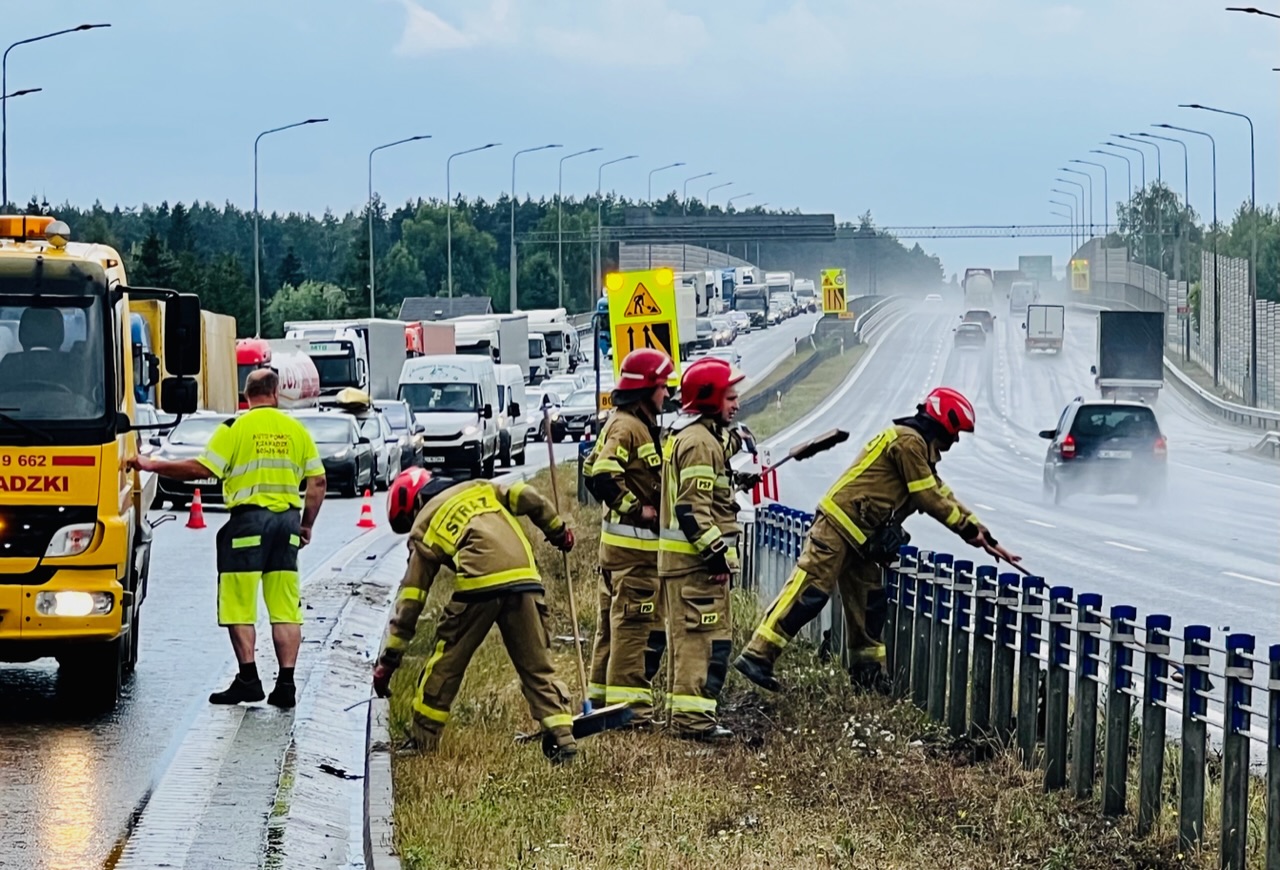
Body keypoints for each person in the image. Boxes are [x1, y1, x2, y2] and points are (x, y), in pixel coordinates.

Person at [734, 387, 1018, 694]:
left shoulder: (917, 449)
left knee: (870, 608)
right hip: (838, 529)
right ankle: (757, 655)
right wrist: (967, 531)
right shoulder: (908, 442)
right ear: (942, 424)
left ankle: (867, 677)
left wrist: (983, 534)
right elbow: (928, 497)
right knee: (809, 593)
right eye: (955, 432)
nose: (955, 441)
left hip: (863, 542)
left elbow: (942, 493)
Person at [129, 368, 327, 708]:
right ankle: (286, 686)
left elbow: (204, 469)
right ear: (275, 394)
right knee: (285, 609)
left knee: (239, 603)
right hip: (286, 526)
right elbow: (318, 482)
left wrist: (154, 465)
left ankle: (249, 679)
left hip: (247, 525)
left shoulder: (235, 429)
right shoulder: (297, 430)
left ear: (246, 396)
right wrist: (306, 525)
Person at [371, 468, 579, 763]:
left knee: (446, 663)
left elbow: (412, 599)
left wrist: (389, 660)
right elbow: (527, 496)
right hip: (525, 577)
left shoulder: (424, 525)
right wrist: (558, 530)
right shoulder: (481, 487)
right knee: (537, 665)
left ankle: (423, 739)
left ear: (413, 506)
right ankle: (563, 739)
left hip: (478, 584)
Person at [581, 348, 673, 724]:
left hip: (620, 554)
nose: (667, 394)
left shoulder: (629, 423)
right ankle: (629, 712)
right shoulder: (627, 427)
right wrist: (637, 508)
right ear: (645, 390)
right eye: (662, 387)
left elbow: (589, 467)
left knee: (612, 631)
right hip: (634, 555)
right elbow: (601, 474)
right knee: (634, 632)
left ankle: (602, 703)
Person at [658, 356, 745, 743]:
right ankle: (693, 725)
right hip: (697, 567)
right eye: (729, 397)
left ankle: (692, 720)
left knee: (701, 643)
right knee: (701, 644)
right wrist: (716, 556)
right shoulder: (698, 444)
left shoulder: (698, 437)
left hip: (690, 566)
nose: (736, 404)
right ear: (709, 400)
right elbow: (692, 510)